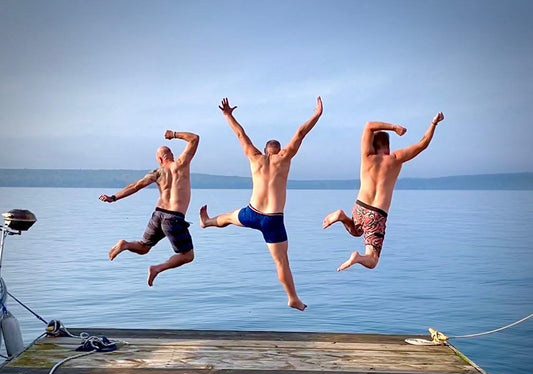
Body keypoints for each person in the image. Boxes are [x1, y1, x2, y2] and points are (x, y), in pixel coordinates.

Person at [200, 97, 323, 311]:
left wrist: (228, 115)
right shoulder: (284, 157)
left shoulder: (254, 157)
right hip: (273, 220)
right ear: (279, 150)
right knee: (281, 261)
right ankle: (292, 298)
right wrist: (316, 114)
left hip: (252, 212)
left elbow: (240, 134)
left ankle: (207, 222)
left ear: (265, 150)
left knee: (228, 217)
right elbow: (301, 133)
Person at [322, 112, 444, 271]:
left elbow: (369, 125)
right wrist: (434, 123)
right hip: (377, 213)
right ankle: (357, 258)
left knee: (357, 231)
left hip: (359, 207)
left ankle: (342, 216)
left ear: (373, 144)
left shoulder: (366, 157)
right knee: (372, 260)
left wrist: (394, 127)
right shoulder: (396, 158)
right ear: (387, 146)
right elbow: (423, 143)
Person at [99, 130, 199, 286]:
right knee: (188, 256)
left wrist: (113, 197)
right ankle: (157, 269)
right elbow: (194, 139)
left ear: (160, 159)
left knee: (144, 247)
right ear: (171, 154)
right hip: (174, 218)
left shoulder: (157, 173)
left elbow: (135, 186)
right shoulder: (182, 164)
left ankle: (124, 244)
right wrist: (173, 134)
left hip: (158, 215)